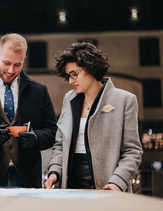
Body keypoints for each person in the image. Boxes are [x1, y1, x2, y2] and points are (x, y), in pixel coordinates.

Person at [44, 42, 143, 191]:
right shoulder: (69, 99)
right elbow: (60, 145)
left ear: (90, 68)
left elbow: (132, 151)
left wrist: (117, 182)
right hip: (70, 184)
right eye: (68, 76)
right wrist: (54, 172)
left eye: (74, 74)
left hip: (108, 184)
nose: (71, 81)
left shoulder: (125, 100)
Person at [0, 33, 57, 188]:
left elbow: (52, 131)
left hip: (27, 178)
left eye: (18, 64)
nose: (11, 70)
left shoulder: (39, 91)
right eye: (7, 63)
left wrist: (36, 138)